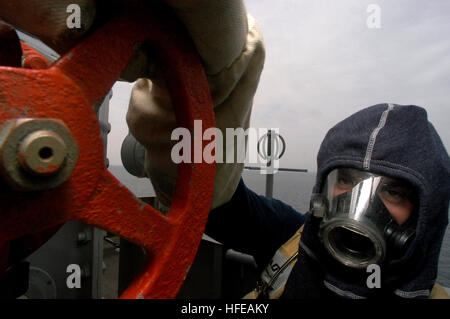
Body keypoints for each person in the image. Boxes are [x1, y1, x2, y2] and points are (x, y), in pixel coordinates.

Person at [0, 0, 449, 299]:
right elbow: (218, 206)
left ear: (428, 215)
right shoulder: (294, 239)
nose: (354, 206)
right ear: (322, 187)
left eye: (392, 194)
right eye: (345, 181)